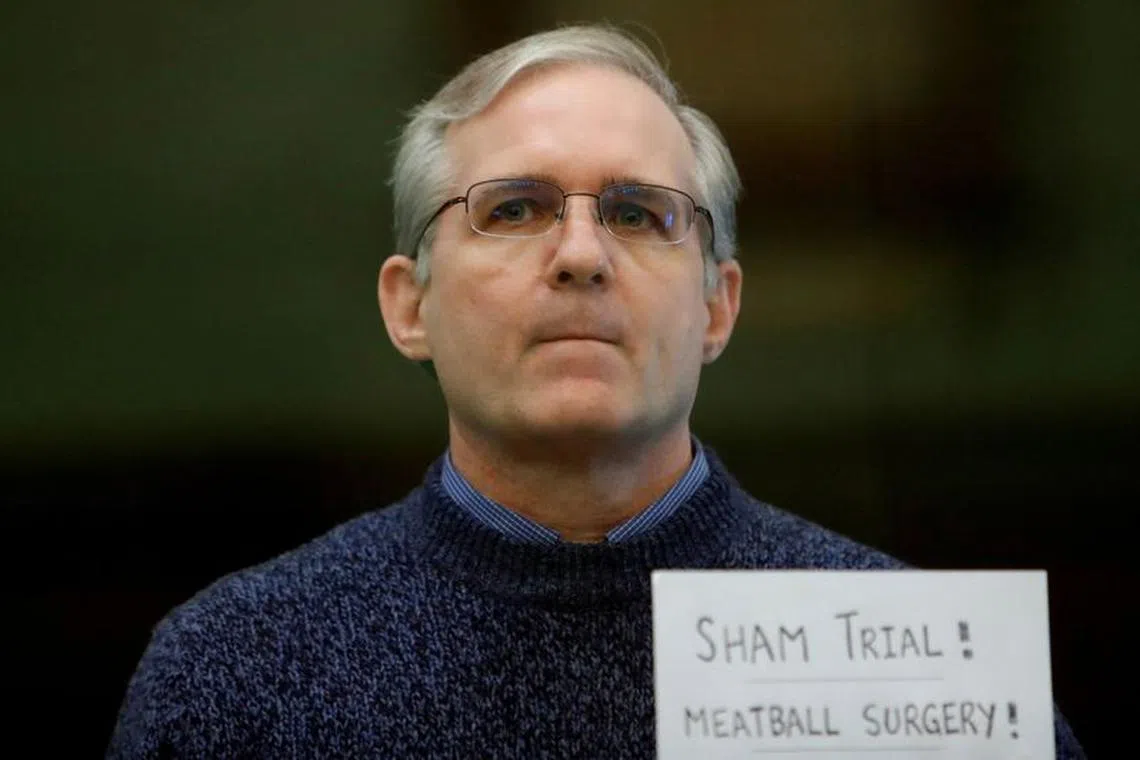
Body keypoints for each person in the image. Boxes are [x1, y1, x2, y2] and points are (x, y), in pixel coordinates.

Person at [107, 24, 1085, 758]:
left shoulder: (927, 673)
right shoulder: (233, 672)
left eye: (638, 212)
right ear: (410, 305)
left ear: (717, 306)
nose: (580, 254)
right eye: (515, 208)